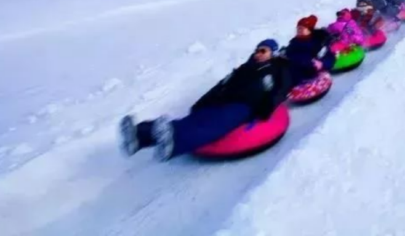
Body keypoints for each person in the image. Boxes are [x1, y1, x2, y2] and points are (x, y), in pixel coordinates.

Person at [119, 39, 292, 162]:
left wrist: (267, 108)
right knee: (193, 120)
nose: (258, 53)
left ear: (273, 53)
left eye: (263, 50)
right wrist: (202, 102)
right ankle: (139, 135)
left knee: (213, 125)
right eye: (257, 50)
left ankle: (175, 142)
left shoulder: (277, 69)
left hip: (244, 105)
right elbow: (223, 84)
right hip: (222, 99)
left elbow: (282, 90)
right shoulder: (245, 68)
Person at [283, 15, 334, 82]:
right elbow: (289, 53)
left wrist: (322, 63)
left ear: (309, 30)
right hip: (293, 67)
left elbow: (329, 57)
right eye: (298, 28)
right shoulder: (294, 42)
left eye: (302, 28)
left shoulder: (318, 42)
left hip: (307, 71)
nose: (299, 30)